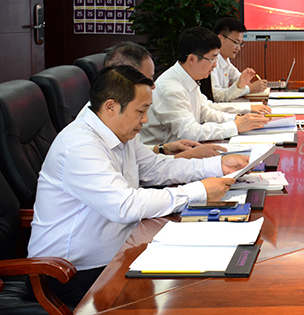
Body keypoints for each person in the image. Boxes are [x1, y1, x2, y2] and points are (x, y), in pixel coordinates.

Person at [27, 65, 249, 305]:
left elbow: (155, 168)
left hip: (120, 251)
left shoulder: (118, 131)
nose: (145, 120)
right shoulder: (80, 147)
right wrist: (198, 191)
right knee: (186, 295)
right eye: (141, 111)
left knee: (201, 277)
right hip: (68, 273)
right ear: (111, 107)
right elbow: (125, 206)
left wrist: (217, 166)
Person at [138, 27, 270, 147]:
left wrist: (237, 118)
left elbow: (206, 111)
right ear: (192, 59)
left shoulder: (188, 77)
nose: (215, 65)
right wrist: (234, 126)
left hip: (185, 151)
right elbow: (189, 132)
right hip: (166, 157)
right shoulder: (171, 88)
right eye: (212, 59)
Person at [103, 42, 224, 159]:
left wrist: (161, 148)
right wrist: (183, 157)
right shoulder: (96, 141)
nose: (153, 86)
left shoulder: (121, 115)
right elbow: (145, 168)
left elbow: (137, 155)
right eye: (148, 80)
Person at [211, 18, 269, 101]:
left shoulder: (225, 60)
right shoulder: (210, 62)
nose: (238, 48)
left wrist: (246, 82)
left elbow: (240, 79)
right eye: (235, 42)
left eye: (240, 44)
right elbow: (217, 97)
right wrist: (250, 89)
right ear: (220, 39)